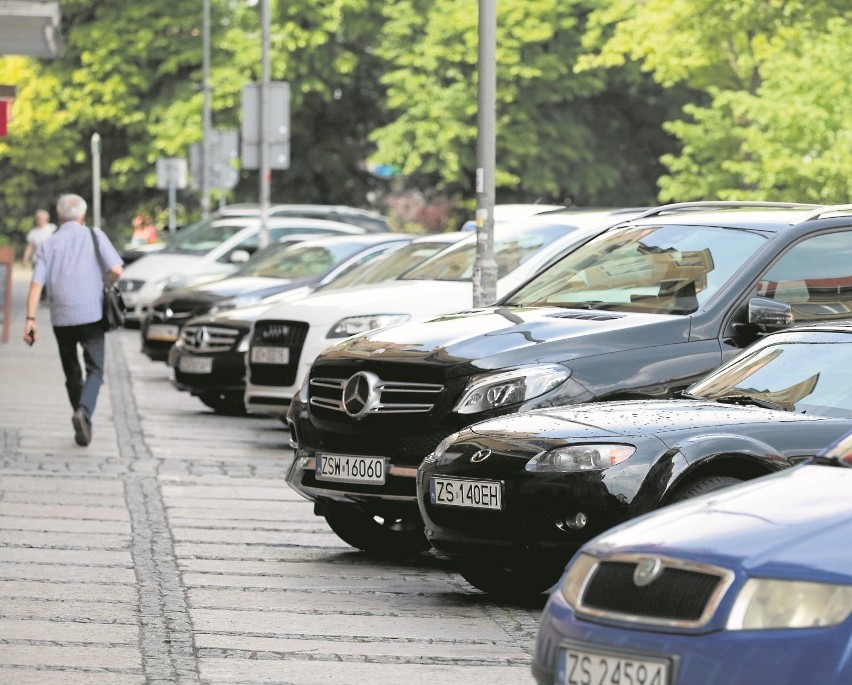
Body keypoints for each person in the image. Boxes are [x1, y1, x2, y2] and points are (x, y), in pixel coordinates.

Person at [22, 194, 124, 447]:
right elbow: (117, 269)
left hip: (61, 316)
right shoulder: (95, 235)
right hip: (92, 314)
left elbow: (36, 284)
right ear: (82, 215)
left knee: (71, 371)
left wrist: (30, 320)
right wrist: (105, 284)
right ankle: (84, 412)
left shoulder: (49, 243)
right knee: (96, 369)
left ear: (58, 216)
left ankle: (82, 419)